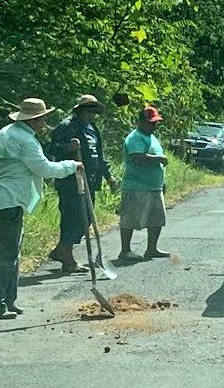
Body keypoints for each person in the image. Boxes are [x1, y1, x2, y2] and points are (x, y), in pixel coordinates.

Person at [0, 98, 83, 320]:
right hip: (6, 201)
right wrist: (72, 166)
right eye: (42, 119)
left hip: (1, 200)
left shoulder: (9, 132)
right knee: (4, 256)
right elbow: (43, 168)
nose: (44, 123)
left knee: (9, 253)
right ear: (35, 119)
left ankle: (8, 300)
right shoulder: (24, 140)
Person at [48, 94, 118, 272]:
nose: (91, 114)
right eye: (88, 109)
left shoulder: (92, 128)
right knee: (71, 217)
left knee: (85, 218)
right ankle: (68, 260)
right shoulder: (67, 126)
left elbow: (98, 155)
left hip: (90, 180)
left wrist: (108, 176)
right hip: (71, 181)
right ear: (80, 110)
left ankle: (61, 250)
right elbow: (50, 148)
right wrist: (67, 147)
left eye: (93, 110)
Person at [118, 105, 171, 261]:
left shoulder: (152, 137)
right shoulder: (135, 137)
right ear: (140, 122)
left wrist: (162, 181)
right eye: (150, 122)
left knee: (157, 219)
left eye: (155, 122)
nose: (153, 125)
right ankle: (125, 250)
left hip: (154, 186)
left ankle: (152, 249)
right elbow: (137, 157)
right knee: (130, 218)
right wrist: (159, 159)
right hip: (136, 186)